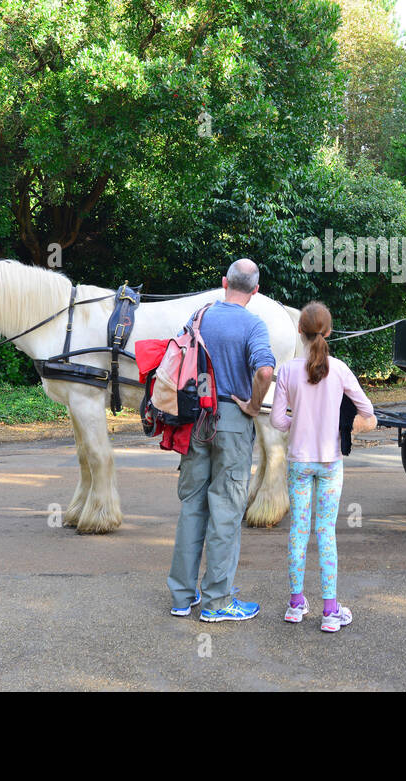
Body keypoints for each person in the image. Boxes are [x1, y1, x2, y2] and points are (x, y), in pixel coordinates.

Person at [168, 259, 276, 622]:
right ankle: (217, 602)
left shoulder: (199, 316)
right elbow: (264, 370)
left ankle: (182, 596)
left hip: (195, 418)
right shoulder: (254, 324)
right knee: (226, 511)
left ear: (224, 281)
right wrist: (254, 405)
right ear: (256, 290)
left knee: (193, 506)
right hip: (231, 420)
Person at [269, 301, 374, 632]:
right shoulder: (340, 369)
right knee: (325, 532)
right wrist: (348, 427)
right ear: (328, 332)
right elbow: (367, 411)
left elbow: (276, 419)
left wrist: (294, 423)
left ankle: (296, 604)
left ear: (299, 331)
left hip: (298, 463)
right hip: (330, 463)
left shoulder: (286, 371)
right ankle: (330, 610)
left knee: (298, 532)